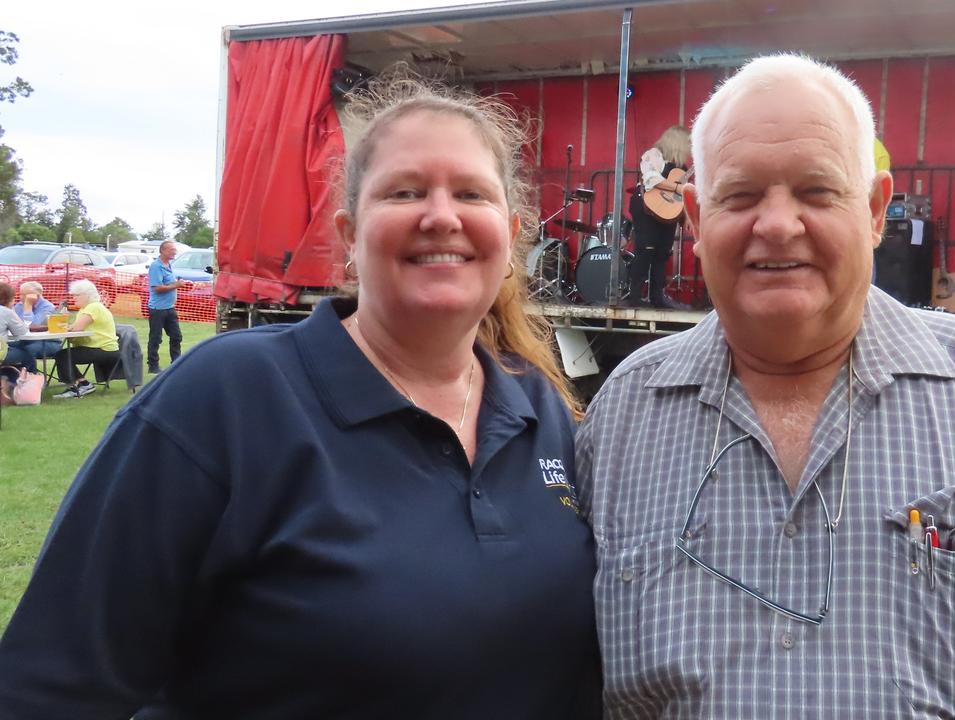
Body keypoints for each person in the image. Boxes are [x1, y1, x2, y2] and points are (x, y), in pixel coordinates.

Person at [577, 54, 955, 718]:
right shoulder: (621, 420)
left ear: (875, 209)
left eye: (816, 191)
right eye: (740, 196)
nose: (777, 224)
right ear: (694, 218)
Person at [0, 78, 601, 718]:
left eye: (471, 193)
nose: (442, 215)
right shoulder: (226, 400)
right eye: (405, 191)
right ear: (348, 235)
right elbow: (52, 687)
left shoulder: (537, 409)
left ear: (509, 235)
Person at [627, 125, 691, 307]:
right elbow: (651, 178)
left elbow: (681, 195)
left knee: (662, 253)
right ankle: (634, 298)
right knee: (645, 251)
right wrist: (678, 187)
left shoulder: (681, 168)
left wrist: (685, 216)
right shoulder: (653, 154)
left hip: (668, 212)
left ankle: (657, 298)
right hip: (646, 208)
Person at [49, 279, 119, 399]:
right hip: (96, 347)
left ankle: (77, 386)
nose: (74, 298)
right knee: (63, 355)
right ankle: (81, 384)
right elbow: (76, 331)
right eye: (73, 295)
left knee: (63, 356)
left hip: (104, 349)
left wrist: (66, 327)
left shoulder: (93, 307)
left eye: (77, 295)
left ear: (87, 295)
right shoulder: (86, 309)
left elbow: (76, 329)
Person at [5, 281, 63, 373]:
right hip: (24, 340)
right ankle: (14, 375)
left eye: (25, 295)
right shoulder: (19, 305)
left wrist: (28, 306)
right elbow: (14, 324)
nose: (21, 297)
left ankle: (31, 376)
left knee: (27, 350)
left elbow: (32, 326)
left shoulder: (47, 307)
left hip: (48, 342)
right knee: (8, 347)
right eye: (21, 294)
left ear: (37, 295)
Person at [146, 239, 183, 373]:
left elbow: (170, 284)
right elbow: (157, 288)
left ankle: (176, 363)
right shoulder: (156, 266)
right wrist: (176, 285)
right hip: (158, 309)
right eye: (171, 250)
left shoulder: (169, 265)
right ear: (162, 251)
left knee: (176, 336)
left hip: (170, 308)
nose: (174, 252)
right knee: (156, 337)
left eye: (175, 250)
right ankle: (153, 365)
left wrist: (178, 284)